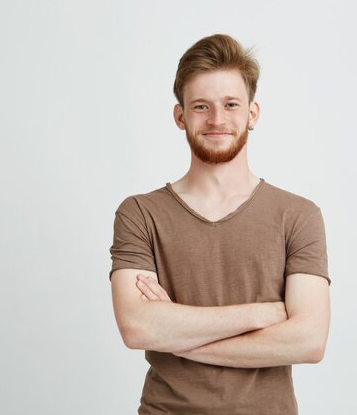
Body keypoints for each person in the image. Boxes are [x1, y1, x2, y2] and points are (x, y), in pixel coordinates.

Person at [109, 33, 331, 415]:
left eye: (231, 104)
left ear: (252, 114)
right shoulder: (140, 214)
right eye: (200, 106)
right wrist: (262, 313)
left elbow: (308, 341)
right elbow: (137, 328)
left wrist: (176, 336)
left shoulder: (298, 215)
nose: (217, 119)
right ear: (180, 116)